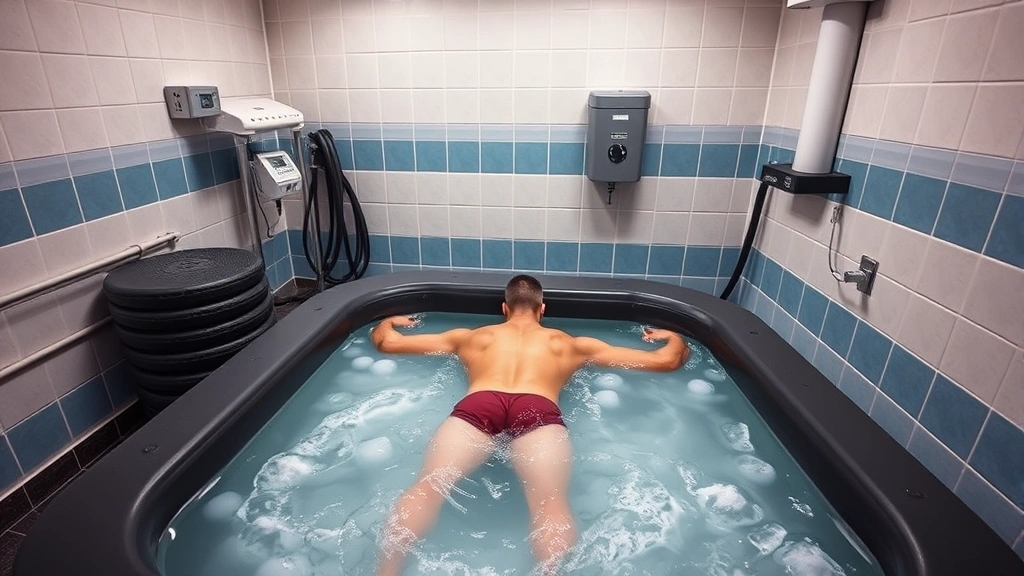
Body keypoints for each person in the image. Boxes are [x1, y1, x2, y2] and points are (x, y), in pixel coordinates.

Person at [370, 275, 689, 576]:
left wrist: (388, 323)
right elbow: (667, 361)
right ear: (543, 309)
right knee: (549, 503)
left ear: (504, 308)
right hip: (537, 407)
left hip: (479, 404)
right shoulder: (570, 344)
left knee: (428, 487)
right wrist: (674, 338)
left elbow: (386, 343)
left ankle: (386, 571)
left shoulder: (471, 337)